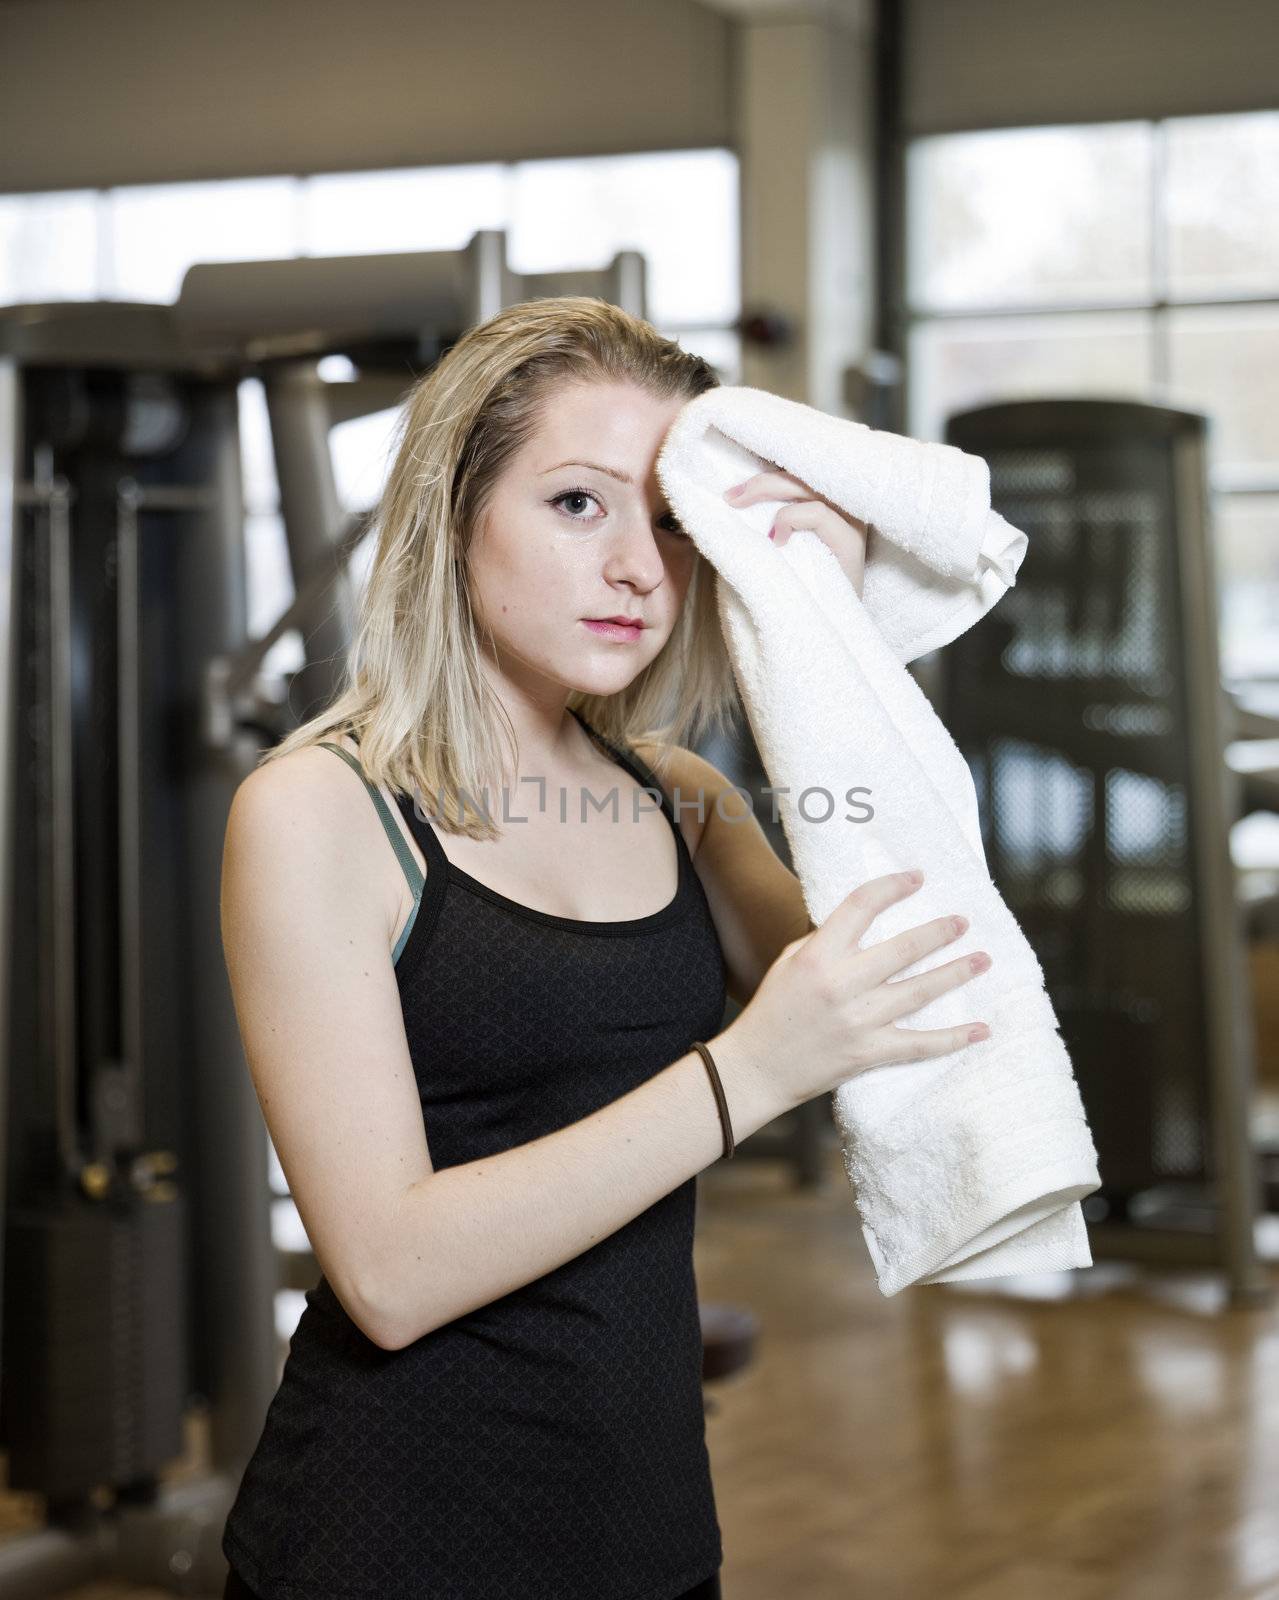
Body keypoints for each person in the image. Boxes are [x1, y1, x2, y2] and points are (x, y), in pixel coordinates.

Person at [217, 295, 991, 1600]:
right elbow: (391, 1274)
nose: (641, 564)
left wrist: (830, 628)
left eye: (671, 521)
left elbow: (935, 996)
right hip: (393, 1544)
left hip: (654, 1543)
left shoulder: (680, 799)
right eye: (579, 503)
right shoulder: (317, 814)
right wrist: (745, 1074)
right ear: (454, 514)